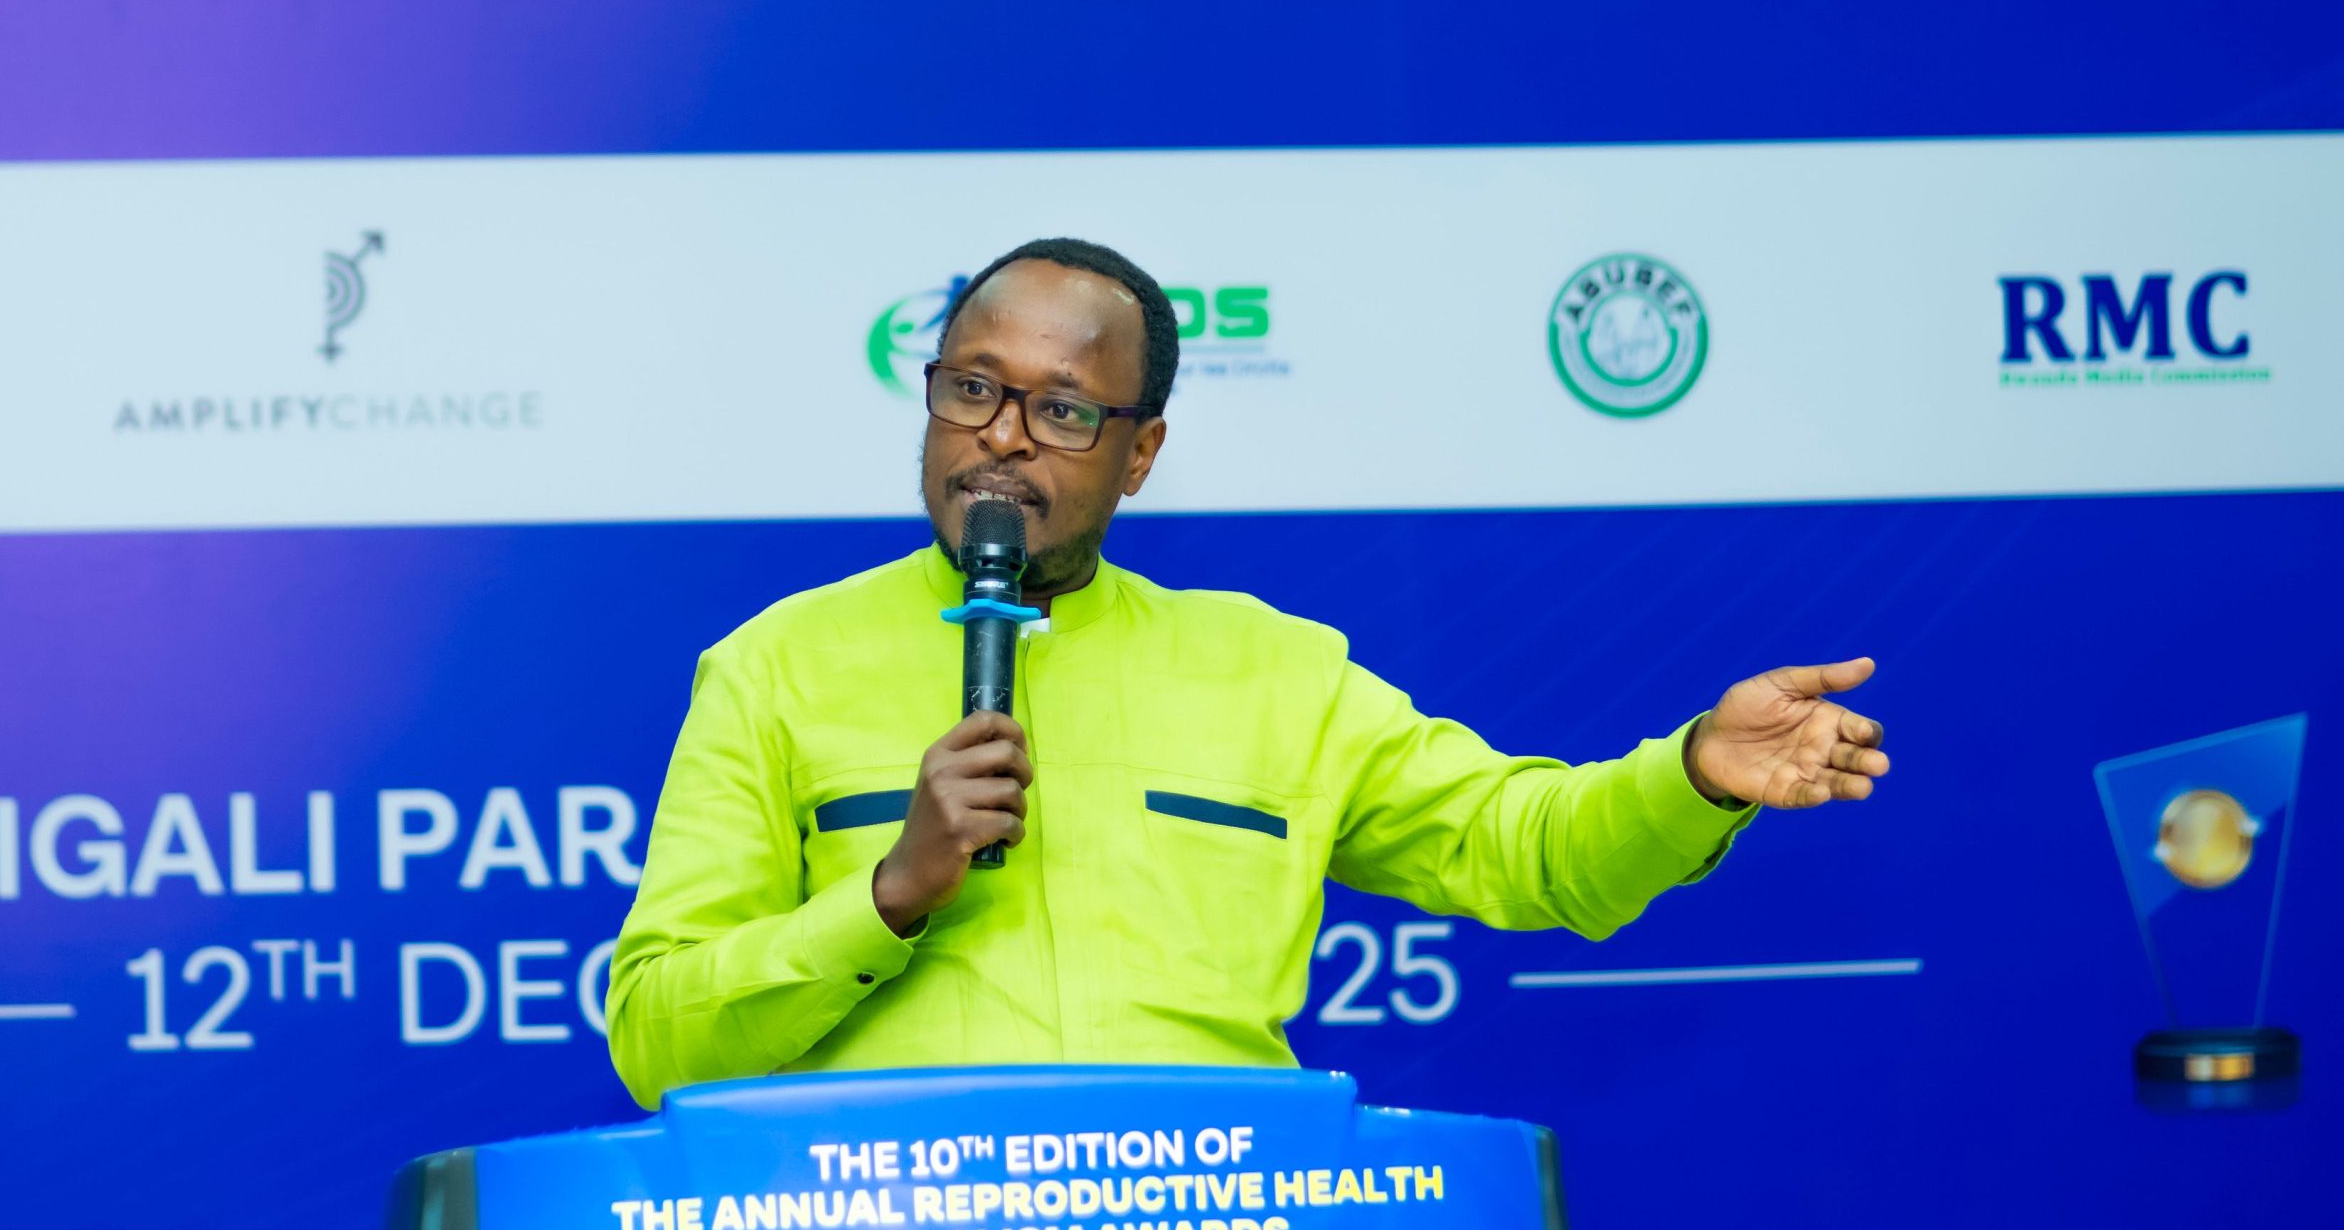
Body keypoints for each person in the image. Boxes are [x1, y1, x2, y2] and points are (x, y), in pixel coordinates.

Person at [605, 238, 1889, 1110]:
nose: (1001, 435)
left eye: (1063, 409)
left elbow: (1528, 848)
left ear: (1140, 454)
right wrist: (889, 892)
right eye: (972, 388)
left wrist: (1691, 772)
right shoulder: (773, 668)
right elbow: (659, 1037)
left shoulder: (1275, 671)